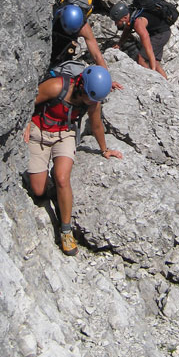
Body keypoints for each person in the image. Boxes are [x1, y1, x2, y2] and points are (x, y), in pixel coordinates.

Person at [23, 64, 122, 255]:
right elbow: (29, 102)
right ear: (81, 86)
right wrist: (25, 122)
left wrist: (105, 150)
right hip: (39, 132)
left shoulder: (92, 100)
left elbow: (96, 124)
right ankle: (47, 183)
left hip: (64, 133)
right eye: (88, 98)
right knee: (38, 191)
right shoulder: (56, 87)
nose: (90, 103)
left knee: (62, 178)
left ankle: (66, 231)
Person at [110, 0, 170, 79]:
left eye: (117, 21)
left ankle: (153, 79)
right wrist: (119, 44)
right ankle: (166, 84)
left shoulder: (138, 23)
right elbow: (127, 30)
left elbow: (148, 47)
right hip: (162, 32)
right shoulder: (131, 15)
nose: (116, 24)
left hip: (161, 34)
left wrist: (152, 70)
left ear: (124, 17)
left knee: (141, 59)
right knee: (155, 63)